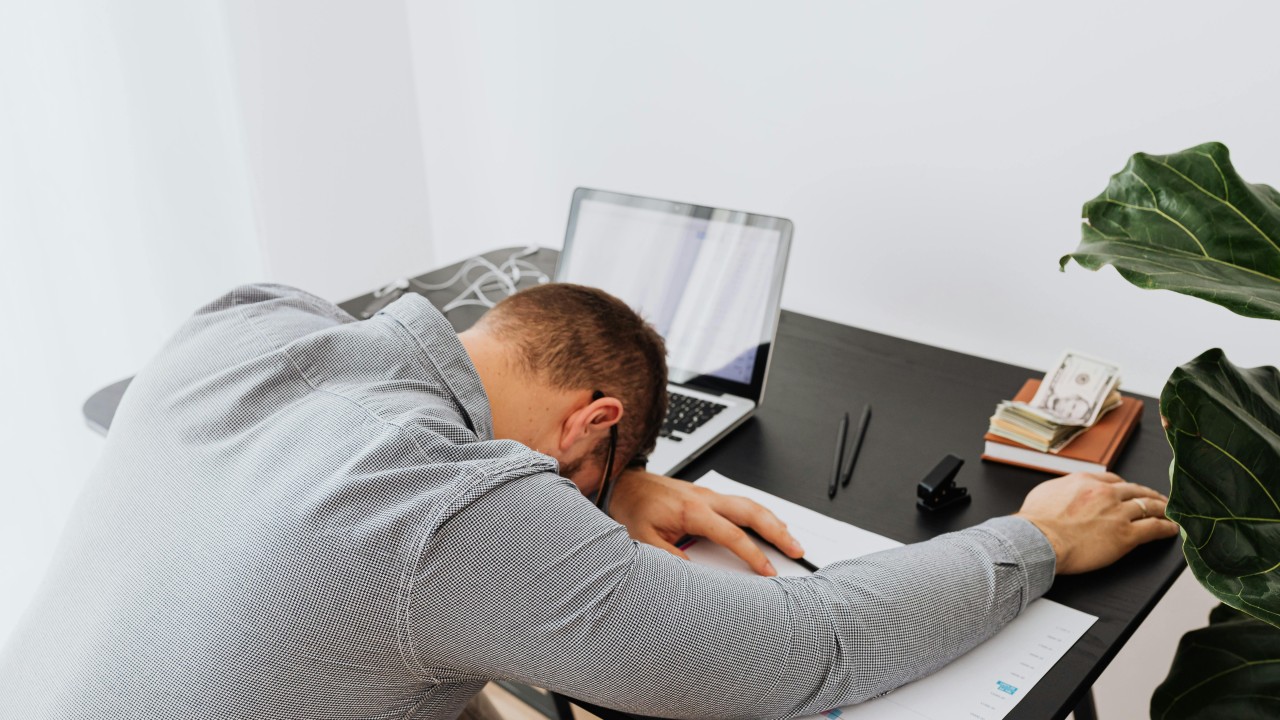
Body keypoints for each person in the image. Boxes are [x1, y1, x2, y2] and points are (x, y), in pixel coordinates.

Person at [0, 283, 1178, 719]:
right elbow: (794, 654)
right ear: (594, 425)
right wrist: (1028, 537)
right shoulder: (447, 509)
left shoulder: (245, 324)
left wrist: (615, 493)